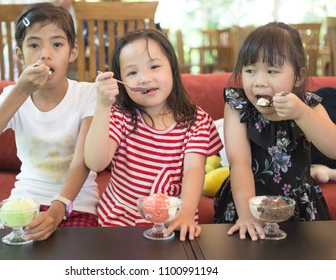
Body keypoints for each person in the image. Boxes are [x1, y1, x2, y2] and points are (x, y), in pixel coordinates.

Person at [0, 3, 99, 241]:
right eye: (34, 44)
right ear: (20, 55)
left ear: (72, 52)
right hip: (25, 201)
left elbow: (84, 161)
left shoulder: (88, 94)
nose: (45, 54)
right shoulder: (12, 95)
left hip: (77, 201)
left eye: (57, 44)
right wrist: (21, 91)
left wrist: (58, 209)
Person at [84, 29, 223, 241]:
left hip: (173, 220)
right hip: (120, 221)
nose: (144, 78)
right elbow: (95, 162)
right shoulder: (119, 115)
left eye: (155, 66)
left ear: (173, 68)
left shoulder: (197, 120)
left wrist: (186, 213)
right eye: (132, 73)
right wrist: (103, 105)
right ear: (120, 80)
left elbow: (194, 169)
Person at [213, 22, 336, 241]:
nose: (259, 82)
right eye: (250, 71)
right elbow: (239, 163)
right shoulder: (238, 106)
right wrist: (247, 215)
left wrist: (301, 113)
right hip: (247, 201)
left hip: (298, 206)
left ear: (298, 77)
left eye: (272, 71)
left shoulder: (309, 105)